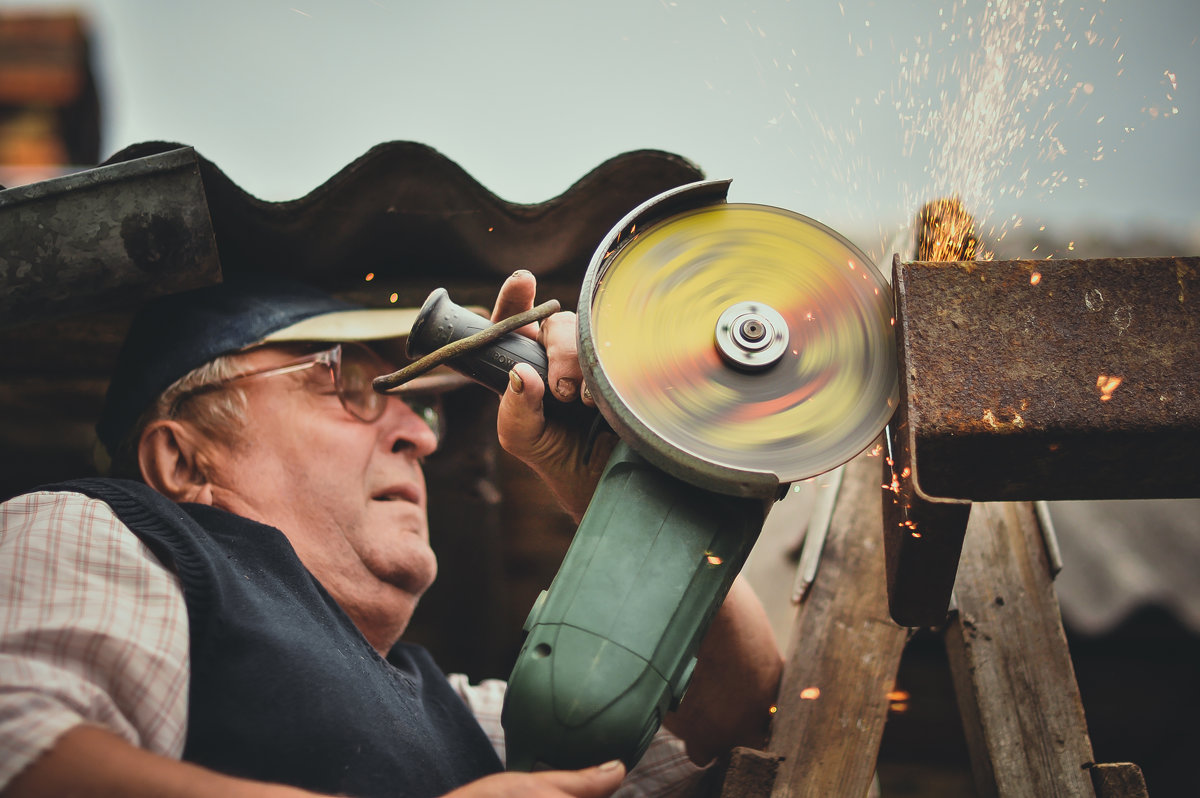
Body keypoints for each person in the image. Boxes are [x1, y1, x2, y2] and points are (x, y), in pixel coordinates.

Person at [0, 270, 782, 798]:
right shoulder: (99, 530)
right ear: (181, 457)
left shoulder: (461, 714)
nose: (422, 434)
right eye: (342, 380)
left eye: (420, 403)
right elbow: (20, 755)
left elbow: (730, 725)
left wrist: (625, 494)